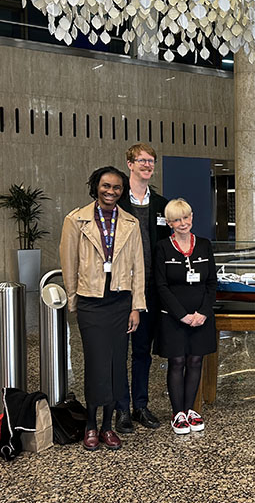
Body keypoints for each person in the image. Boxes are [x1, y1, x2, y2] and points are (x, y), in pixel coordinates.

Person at [60, 167, 146, 451]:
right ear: (96, 186)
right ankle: (90, 425)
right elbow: (68, 263)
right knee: (97, 364)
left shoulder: (130, 223)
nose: (111, 192)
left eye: (117, 188)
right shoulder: (76, 220)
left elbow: (138, 268)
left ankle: (108, 425)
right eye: (106, 186)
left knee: (116, 365)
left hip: (120, 302)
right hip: (91, 302)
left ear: (123, 191)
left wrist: (136, 306)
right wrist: (74, 300)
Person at [114, 143, 169, 434]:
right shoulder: (116, 202)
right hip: (121, 289)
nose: (147, 165)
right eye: (142, 161)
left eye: (151, 161)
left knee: (142, 352)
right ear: (130, 164)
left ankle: (141, 405)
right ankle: (121, 409)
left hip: (149, 290)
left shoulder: (161, 205)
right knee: (120, 350)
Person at [154, 199, 217, 434]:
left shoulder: (203, 245)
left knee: (195, 361)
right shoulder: (162, 247)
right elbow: (161, 286)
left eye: (186, 217)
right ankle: (177, 413)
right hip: (173, 317)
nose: (183, 223)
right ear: (170, 223)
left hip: (201, 316)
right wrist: (182, 315)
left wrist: (202, 312)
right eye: (177, 219)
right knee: (177, 361)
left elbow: (212, 282)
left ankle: (191, 410)